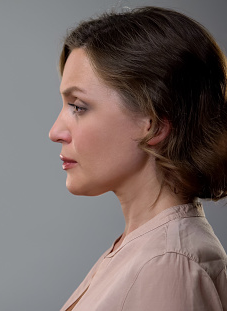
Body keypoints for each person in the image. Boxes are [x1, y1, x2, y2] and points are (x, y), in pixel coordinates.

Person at [49, 7, 227, 311]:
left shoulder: (168, 265)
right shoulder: (146, 250)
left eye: (78, 106)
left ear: (154, 124)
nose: (55, 132)